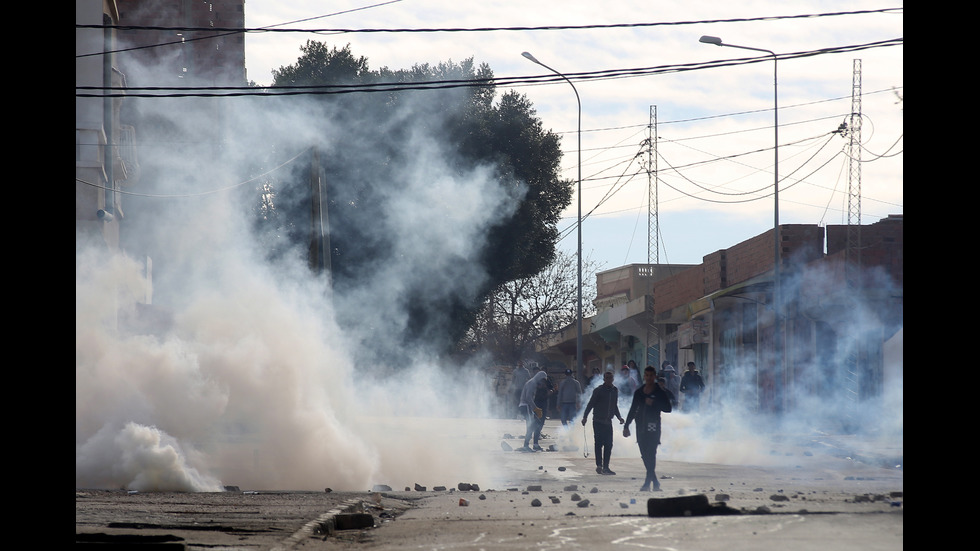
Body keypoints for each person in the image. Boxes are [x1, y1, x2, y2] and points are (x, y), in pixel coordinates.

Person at [624, 366, 674, 491]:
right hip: (640, 425)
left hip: (653, 425)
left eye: (651, 375)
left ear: (655, 376)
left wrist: (654, 403)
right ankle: (655, 482)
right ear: (644, 376)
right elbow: (633, 409)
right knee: (644, 454)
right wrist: (626, 425)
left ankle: (647, 482)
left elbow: (668, 408)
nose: (649, 378)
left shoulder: (659, 392)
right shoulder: (639, 392)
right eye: (647, 375)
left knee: (651, 453)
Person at [581, 370, 625, 474]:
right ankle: (599, 465)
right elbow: (591, 404)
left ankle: (606, 467)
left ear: (613, 379)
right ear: (604, 379)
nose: (609, 380)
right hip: (598, 421)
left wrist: (619, 418)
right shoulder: (598, 390)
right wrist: (585, 417)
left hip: (608, 422)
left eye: (611, 378)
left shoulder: (615, 391)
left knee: (609, 444)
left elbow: (615, 406)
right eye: (607, 378)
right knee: (599, 444)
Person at [518, 370, 548, 452]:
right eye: (543, 380)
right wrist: (535, 408)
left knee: (536, 423)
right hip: (526, 406)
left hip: (527, 406)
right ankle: (526, 445)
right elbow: (528, 398)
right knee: (531, 425)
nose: (542, 382)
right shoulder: (532, 383)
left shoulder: (533, 382)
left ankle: (535, 444)